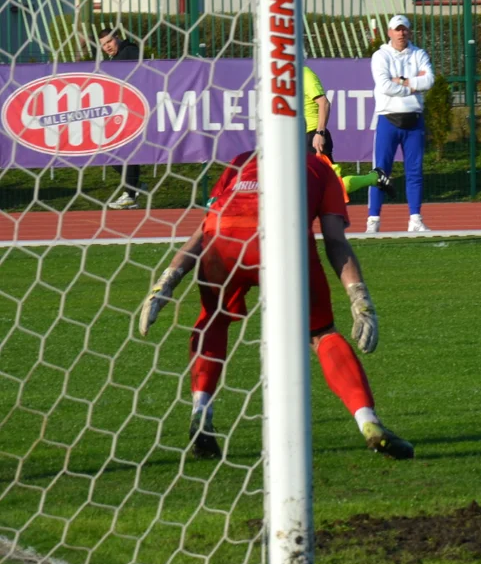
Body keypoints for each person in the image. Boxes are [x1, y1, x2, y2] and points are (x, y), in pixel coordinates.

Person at [138, 151, 414, 461]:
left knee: (213, 318)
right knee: (321, 334)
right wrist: (359, 298)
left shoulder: (241, 160)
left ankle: (201, 415)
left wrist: (168, 280)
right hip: (283, 243)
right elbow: (335, 240)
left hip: (223, 243)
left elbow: (205, 229)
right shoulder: (320, 168)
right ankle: (369, 423)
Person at [368, 14, 434, 233]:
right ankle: (373, 220)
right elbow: (385, 85)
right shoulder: (380, 55)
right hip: (388, 119)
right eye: (397, 29)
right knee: (381, 172)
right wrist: (414, 85)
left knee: (414, 171)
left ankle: (415, 218)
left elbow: (430, 80)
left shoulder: (419, 54)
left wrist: (404, 81)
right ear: (389, 32)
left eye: (404, 29)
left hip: (414, 120)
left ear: (409, 31)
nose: (401, 33)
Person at [305, 63, 395, 200]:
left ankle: (374, 178)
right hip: (297, 140)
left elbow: (324, 103)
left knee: (334, 187)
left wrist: (319, 133)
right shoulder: (283, 79)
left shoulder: (304, 74)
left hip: (312, 138)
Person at [100, 28, 143, 209]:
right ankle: (136, 186)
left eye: (109, 42)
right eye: (103, 45)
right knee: (108, 152)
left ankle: (130, 195)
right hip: (120, 112)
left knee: (127, 152)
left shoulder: (129, 51)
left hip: (135, 111)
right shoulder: (111, 60)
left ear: (117, 38)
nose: (107, 47)